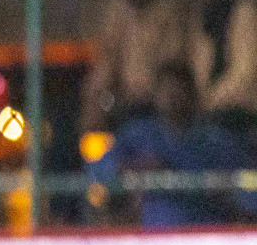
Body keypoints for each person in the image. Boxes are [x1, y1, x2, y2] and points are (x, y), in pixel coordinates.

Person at [91, 62, 254, 227]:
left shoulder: (215, 140)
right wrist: (134, 167)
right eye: (166, 90)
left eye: (179, 91)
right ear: (156, 95)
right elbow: (99, 171)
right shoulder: (137, 134)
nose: (172, 98)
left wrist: (218, 191)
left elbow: (246, 190)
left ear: (192, 96)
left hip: (207, 236)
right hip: (155, 235)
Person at [81, 0, 188, 131]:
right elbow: (105, 64)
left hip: (162, 110)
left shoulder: (170, 6)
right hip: (125, 107)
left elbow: (173, 65)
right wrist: (94, 102)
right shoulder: (117, 9)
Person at [192, 0, 257, 144]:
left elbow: (244, 75)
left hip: (242, 115)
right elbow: (199, 77)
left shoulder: (245, 9)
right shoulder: (205, 16)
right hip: (214, 114)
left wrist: (210, 102)